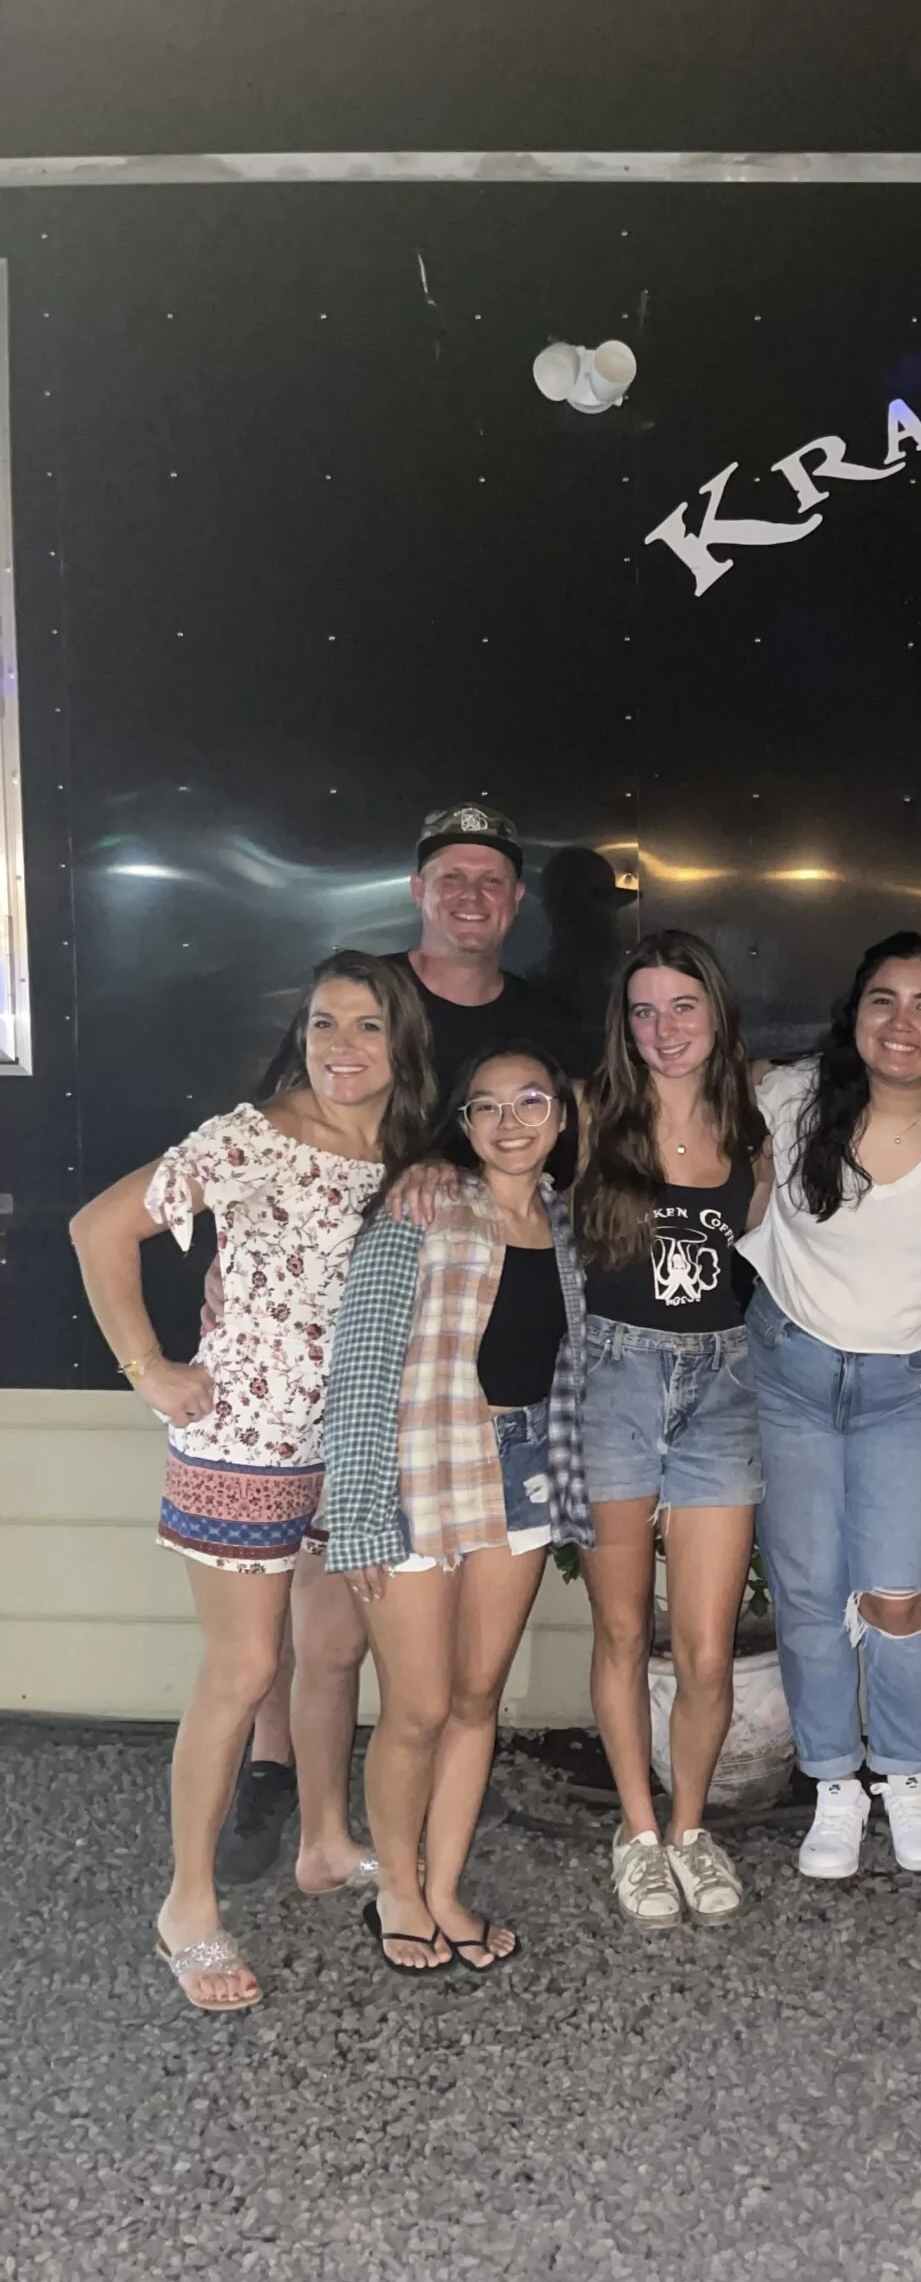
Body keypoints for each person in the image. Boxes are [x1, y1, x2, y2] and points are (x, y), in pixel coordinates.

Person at [219, 802, 585, 1894]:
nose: (472, 895)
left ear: (515, 903)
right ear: (419, 890)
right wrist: (224, 1270)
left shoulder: (546, 1018)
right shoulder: (364, 995)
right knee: (333, 1638)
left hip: (462, 1345)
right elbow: (272, 1126)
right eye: (450, 876)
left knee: (433, 1680)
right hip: (353, 1323)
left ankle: (381, 1843)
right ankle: (304, 1804)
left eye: (493, 879)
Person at [68, 953, 435, 2011]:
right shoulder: (257, 1135)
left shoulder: (404, 1155)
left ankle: (324, 1839)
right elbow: (100, 1227)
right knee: (241, 1668)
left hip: (352, 1442)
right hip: (245, 1443)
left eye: (367, 1027)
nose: (343, 1049)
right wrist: (151, 1369)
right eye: (324, 1025)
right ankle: (187, 1902)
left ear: (401, 1041)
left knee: (332, 1650)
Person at [323, 1046, 591, 1973]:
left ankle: (443, 1887)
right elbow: (357, 1366)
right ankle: (397, 1888)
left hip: (520, 1474)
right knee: (419, 1706)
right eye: (487, 1108)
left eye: (531, 1100)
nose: (511, 1122)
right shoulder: (423, 1208)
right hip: (416, 1471)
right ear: (465, 1126)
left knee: (477, 1699)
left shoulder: (565, 1221)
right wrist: (355, 1510)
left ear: (563, 1112)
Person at [740, 933, 921, 1880]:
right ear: (854, 1013)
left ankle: (905, 1773)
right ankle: (834, 1781)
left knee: (896, 1595)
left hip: (913, 1387)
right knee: (807, 1594)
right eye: (883, 999)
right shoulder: (790, 1098)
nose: (902, 1022)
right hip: (793, 1372)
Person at [574, 931, 771, 1928]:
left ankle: (692, 1828)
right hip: (613, 1375)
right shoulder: (585, 1118)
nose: (663, 1030)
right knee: (619, 1626)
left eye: (683, 1007)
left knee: (703, 1643)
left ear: (717, 1012)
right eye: (644, 1010)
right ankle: (638, 1830)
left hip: (720, 1384)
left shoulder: (756, 1128)